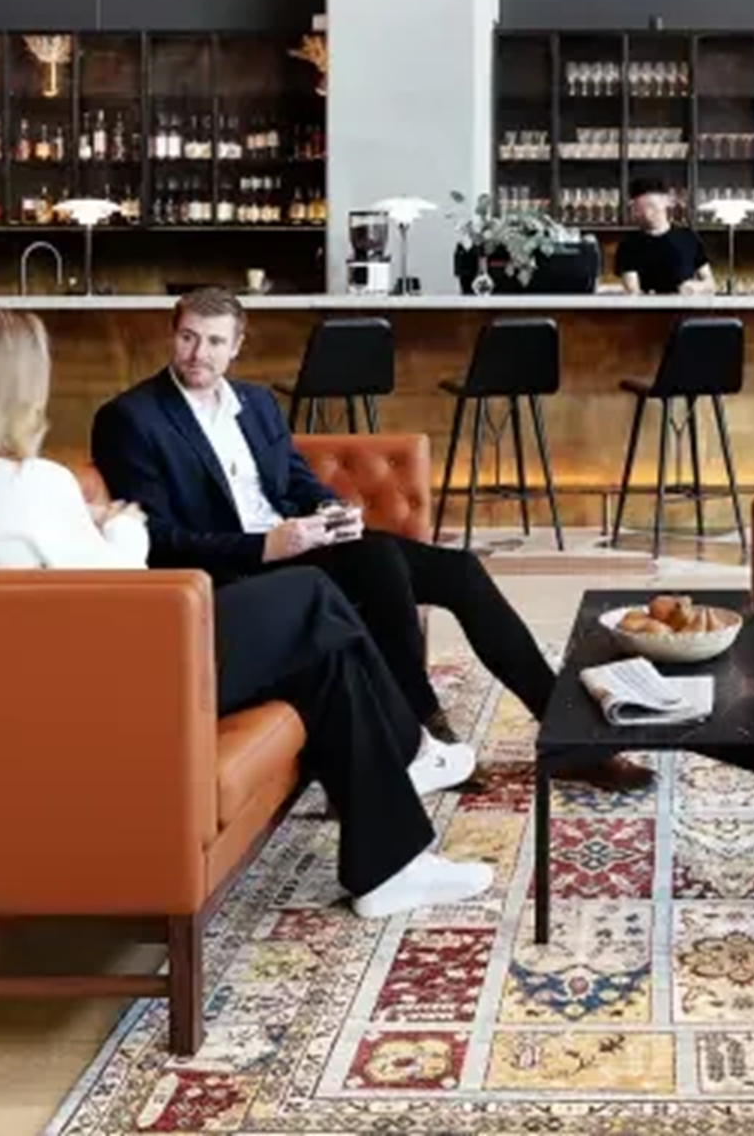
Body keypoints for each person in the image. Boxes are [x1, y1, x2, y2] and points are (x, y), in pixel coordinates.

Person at [0, 307, 492, 919]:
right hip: (126, 676)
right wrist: (122, 526)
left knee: (323, 656)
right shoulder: (29, 483)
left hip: (71, 676)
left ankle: (390, 863)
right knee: (312, 595)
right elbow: (121, 581)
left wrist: (93, 526)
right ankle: (410, 754)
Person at [93, 287, 649, 788]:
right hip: (240, 573)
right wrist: (265, 546)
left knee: (460, 570)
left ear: (236, 346)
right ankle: (424, 730)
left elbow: (294, 480)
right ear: (173, 334)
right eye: (189, 337)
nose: (199, 353)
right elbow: (158, 538)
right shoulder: (132, 418)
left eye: (215, 341)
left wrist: (330, 510)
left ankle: (565, 739)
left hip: (300, 545)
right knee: (380, 559)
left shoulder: (255, 403)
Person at [613, 176, 714, 296]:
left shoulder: (688, 238)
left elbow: (710, 284)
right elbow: (632, 291)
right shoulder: (628, 245)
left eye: (651, 206)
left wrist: (696, 287)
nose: (647, 212)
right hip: (647, 308)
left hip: (686, 307)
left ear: (666, 202)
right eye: (641, 208)